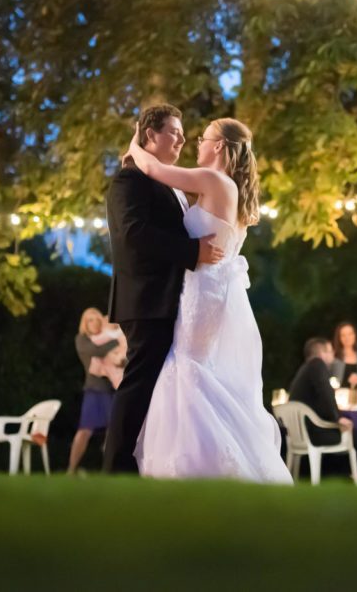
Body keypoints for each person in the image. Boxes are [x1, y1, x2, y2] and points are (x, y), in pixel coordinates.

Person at [125, 116, 292, 483]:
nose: (196, 143)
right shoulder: (228, 188)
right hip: (215, 291)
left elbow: (152, 168)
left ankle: (195, 468)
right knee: (197, 370)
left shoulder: (213, 180)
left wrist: (134, 143)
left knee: (189, 368)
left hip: (203, 292)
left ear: (218, 146)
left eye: (203, 138)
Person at [102, 104, 225, 474]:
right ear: (150, 134)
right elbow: (133, 234)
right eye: (174, 131)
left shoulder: (163, 181)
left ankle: (145, 464)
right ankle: (115, 468)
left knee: (157, 388)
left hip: (168, 299)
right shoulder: (130, 181)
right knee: (138, 386)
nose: (183, 139)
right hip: (146, 299)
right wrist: (193, 251)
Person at [68, 308, 127, 474]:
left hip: (113, 389)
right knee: (85, 429)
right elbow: (97, 351)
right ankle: (71, 470)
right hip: (94, 390)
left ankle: (108, 469)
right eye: (90, 320)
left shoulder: (106, 336)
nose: (94, 323)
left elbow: (120, 359)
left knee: (113, 431)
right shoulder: (82, 340)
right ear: (84, 323)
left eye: (96, 319)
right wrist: (117, 340)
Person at [289, 338, 354, 446]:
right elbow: (325, 393)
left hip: (300, 434)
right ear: (322, 353)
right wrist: (337, 417)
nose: (333, 354)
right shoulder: (317, 364)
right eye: (330, 351)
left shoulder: (305, 368)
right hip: (315, 433)